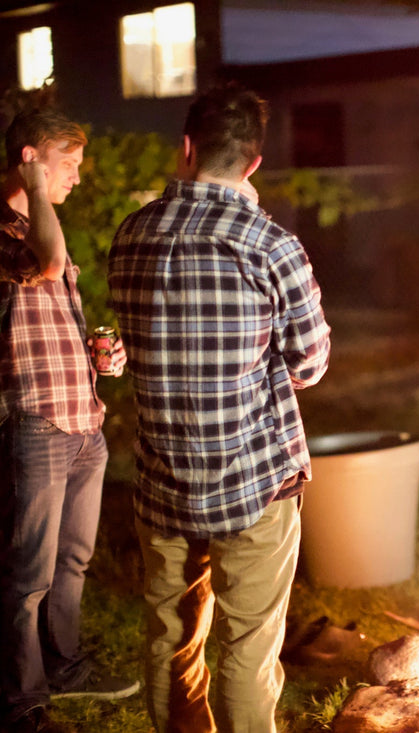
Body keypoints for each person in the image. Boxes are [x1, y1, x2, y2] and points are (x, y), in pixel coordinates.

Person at [107, 82, 331, 732]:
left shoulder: (132, 236)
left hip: (163, 482)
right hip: (254, 482)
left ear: (186, 149)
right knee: (245, 645)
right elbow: (310, 364)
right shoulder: (271, 246)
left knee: (169, 640)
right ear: (253, 163)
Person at [0, 109, 139, 732]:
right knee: (27, 571)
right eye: (69, 165)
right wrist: (31, 186)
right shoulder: (6, 230)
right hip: (34, 422)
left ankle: (64, 666)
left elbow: (53, 315)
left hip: (82, 421)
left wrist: (99, 354)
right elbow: (49, 264)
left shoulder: (43, 225)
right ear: (31, 158)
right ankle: (22, 696)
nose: (78, 178)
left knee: (71, 560)